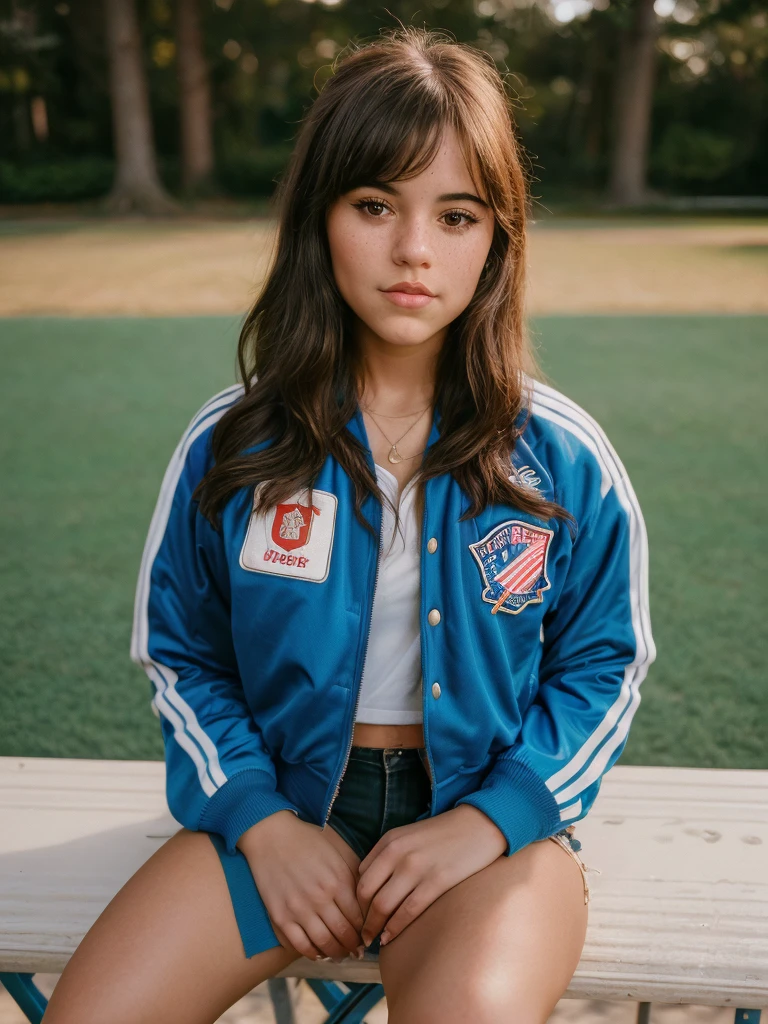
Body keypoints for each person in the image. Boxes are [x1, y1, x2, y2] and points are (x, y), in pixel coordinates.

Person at [42, 24, 655, 1024]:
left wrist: (496, 820)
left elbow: (606, 664)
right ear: (320, 217)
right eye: (376, 205)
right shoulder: (234, 445)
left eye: (456, 216)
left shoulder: (563, 455)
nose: (414, 250)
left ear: (498, 236)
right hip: (283, 811)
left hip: (480, 834)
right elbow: (181, 653)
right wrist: (260, 820)